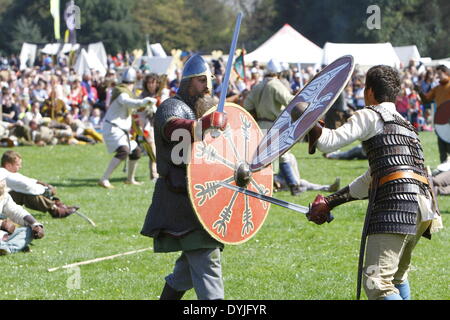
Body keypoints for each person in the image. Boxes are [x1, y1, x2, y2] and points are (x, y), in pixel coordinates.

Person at [306, 65, 442, 300]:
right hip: (424, 207)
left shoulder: (370, 114)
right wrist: (330, 202)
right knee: (397, 278)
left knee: (377, 282)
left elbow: (328, 142)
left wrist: (308, 121)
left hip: (398, 205)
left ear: (369, 91)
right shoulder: (406, 125)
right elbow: (374, 176)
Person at [141, 54, 227, 300]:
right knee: (206, 258)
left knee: (187, 271)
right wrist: (203, 124)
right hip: (180, 199)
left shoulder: (199, 109)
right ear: (188, 82)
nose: (207, 87)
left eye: (208, 80)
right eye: (201, 81)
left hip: (201, 196)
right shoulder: (173, 105)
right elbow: (172, 127)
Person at [243, 58, 302, 195]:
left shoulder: (257, 86)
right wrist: (301, 96)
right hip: (274, 125)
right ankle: (294, 185)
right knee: (283, 156)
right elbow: (289, 101)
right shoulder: (276, 85)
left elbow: (247, 105)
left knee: (262, 158)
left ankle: (265, 186)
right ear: (278, 72)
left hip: (259, 125)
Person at [98, 67, 156, 189]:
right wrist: (143, 102)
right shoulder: (121, 92)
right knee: (123, 151)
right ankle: (104, 179)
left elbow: (133, 108)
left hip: (120, 130)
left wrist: (147, 107)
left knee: (136, 152)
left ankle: (130, 179)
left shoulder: (125, 92)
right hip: (113, 128)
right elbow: (127, 102)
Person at [1, 150, 79, 218]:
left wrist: (41, 183)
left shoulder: (6, 172)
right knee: (25, 194)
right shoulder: (5, 174)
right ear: (8, 165)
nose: (20, 167)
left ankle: (58, 205)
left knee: (24, 192)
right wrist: (46, 190)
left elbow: (26, 180)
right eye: (18, 165)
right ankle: (54, 209)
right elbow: (27, 186)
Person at [0, 169, 45, 255]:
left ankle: (7, 247)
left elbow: (16, 211)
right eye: (1, 181)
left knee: (28, 231)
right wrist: (1, 224)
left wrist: (35, 224)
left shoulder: (4, 196)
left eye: (3, 180)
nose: (4, 183)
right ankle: (14, 246)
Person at [415, 65, 450, 163]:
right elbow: (426, 100)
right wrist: (419, 91)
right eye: (437, 74)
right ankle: (443, 168)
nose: (438, 76)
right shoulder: (436, 88)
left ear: (446, 73)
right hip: (441, 120)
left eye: (440, 73)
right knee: (442, 146)